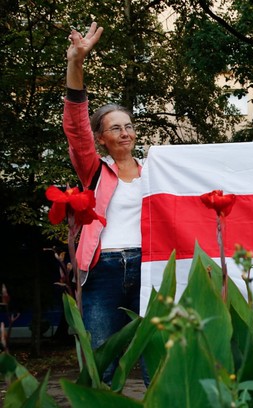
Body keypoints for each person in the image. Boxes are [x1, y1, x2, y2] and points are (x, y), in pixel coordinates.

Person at [64, 22, 147, 385]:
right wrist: (76, 64)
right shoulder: (96, 171)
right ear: (101, 138)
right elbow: (76, 127)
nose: (124, 132)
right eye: (115, 127)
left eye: (128, 125)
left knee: (155, 355)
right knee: (102, 362)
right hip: (105, 270)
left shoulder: (157, 174)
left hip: (150, 268)